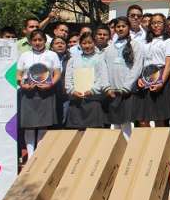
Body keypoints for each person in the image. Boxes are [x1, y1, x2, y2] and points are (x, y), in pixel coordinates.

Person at [16, 29, 61, 158]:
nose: (37, 42)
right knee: (29, 126)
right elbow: (18, 75)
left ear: (45, 41)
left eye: (40, 40)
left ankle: (39, 156)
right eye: (34, 40)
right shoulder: (25, 55)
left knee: (43, 125)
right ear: (30, 41)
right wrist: (22, 84)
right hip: (28, 93)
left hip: (45, 93)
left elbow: (57, 73)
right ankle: (30, 156)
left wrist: (50, 84)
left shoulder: (52, 55)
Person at [103, 16, 144, 139]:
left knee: (126, 123)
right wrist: (106, 87)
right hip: (112, 91)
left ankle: (128, 152)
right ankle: (116, 151)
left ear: (128, 27)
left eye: (123, 26)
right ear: (114, 29)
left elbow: (137, 67)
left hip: (127, 91)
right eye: (118, 26)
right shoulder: (109, 48)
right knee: (114, 123)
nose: (120, 29)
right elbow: (103, 69)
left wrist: (126, 86)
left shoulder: (135, 45)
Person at [134, 13, 170, 127]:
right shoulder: (145, 42)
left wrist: (161, 81)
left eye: (159, 22)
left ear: (164, 24)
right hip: (145, 77)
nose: (156, 25)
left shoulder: (168, 41)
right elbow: (141, 62)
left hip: (161, 78)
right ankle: (146, 144)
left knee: (159, 118)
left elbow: (169, 63)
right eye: (153, 23)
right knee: (143, 118)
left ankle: (159, 144)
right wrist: (140, 78)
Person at [65, 33, 108, 129]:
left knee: (93, 133)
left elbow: (102, 77)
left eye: (90, 43)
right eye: (84, 43)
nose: (87, 46)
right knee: (76, 132)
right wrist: (72, 90)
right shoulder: (73, 60)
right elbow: (68, 78)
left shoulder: (100, 59)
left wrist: (93, 90)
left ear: (95, 43)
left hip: (94, 100)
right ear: (80, 45)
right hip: (76, 100)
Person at [49, 36, 71, 127]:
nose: (60, 45)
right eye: (57, 43)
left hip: (66, 95)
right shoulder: (47, 59)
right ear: (51, 47)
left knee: (64, 120)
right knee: (52, 121)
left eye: (62, 43)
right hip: (50, 94)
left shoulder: (70, 60)